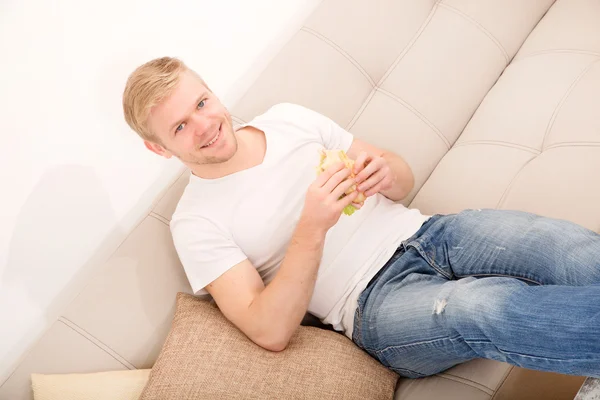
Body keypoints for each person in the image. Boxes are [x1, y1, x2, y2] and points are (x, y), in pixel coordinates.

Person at [122, 57, 600, 379]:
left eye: (202, 103)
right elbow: (267, 330)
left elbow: (401, 176)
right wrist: (311, 228)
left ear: (213, 93)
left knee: (561, 247)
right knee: (486, 305)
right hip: (374, 306)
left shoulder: (287, 119)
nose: (205, 125)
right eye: (181, 126)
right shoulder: (195, 222)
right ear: (158, 147)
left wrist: (384, 172)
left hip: (427, 233)